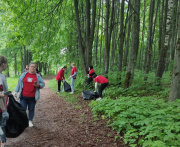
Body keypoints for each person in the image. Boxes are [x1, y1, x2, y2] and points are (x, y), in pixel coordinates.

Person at [15, 62, 45, 127]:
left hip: (32, 97)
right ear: (28, 67)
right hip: (23, 96)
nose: (33, 68)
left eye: (34, 67)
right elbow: (19, 83)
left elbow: (43, 84)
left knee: (31, 109)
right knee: (22, 109)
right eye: (32, 66)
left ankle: (30, 120)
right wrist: (15, 91)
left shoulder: (38, 76)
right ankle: (23, 121)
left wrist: (38, 85)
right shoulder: (24, 75)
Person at [0, 56, 9, 147]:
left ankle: (3, 143)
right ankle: (3, 143)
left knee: (2, 125)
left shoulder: (2, 75)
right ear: (3, 64)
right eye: (6, 63)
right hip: (1, 106)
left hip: (3, 103)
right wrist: (4, 110)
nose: (6, 65)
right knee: (1, 125)